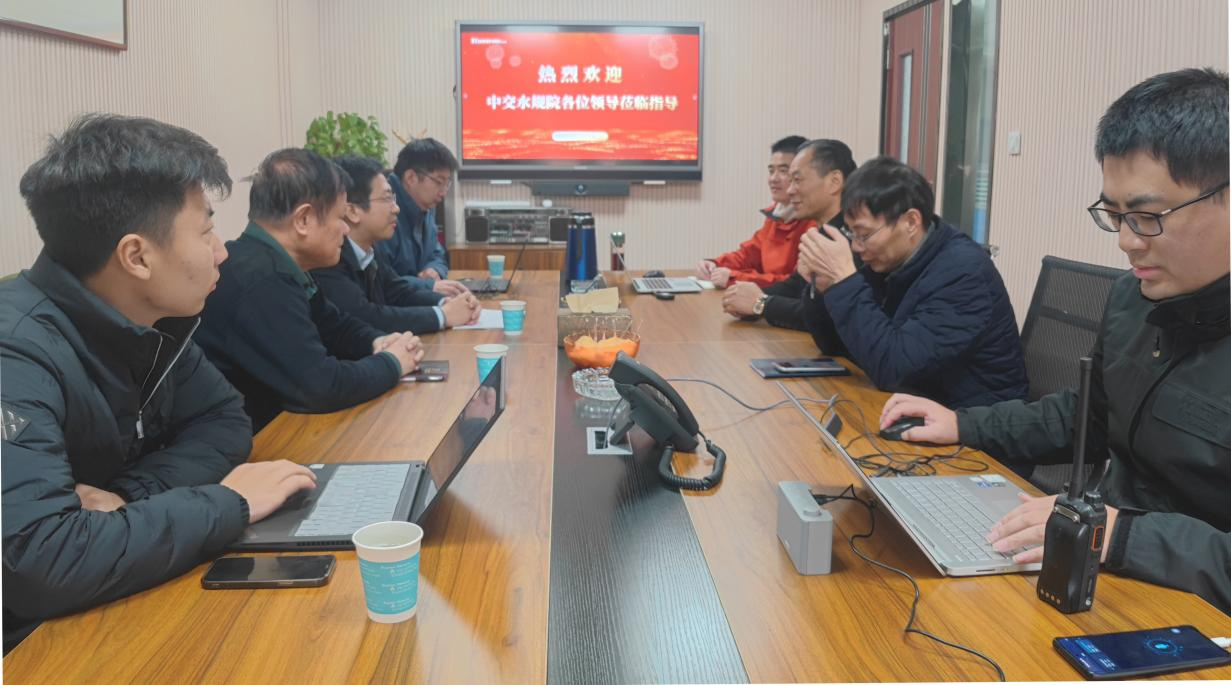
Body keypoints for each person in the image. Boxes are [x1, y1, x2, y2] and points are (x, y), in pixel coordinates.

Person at [880, 68, 1230, 614]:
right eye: (1114, 215)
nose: (1126, 242)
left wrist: (1120, 535)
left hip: (1186, 605)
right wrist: (964, 424)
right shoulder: (1135, 299)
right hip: (1105, 574)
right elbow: (1089, 416)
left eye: (1147, 217)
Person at [2, 114, 317, 650]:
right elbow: (39, 559)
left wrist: (130, 497)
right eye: (206, 230)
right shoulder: (16, 350)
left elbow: (224, 419)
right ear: (137, 256)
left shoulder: (151, 319)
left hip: (111, 595)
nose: (221, 251)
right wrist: (229, 503)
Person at [197, 148, 424, 431]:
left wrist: (378, 342)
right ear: (303, 220)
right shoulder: (260, 280)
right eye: (340, 218)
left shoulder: (277, 262)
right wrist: (393, 362)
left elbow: (335, 326)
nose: (345, 230)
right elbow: (322, 386)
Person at [796, 155, 1027, 408]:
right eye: (852, 233)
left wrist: (844, 281)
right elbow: (834, 345)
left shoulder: (962, 274)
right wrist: (826, 287)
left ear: (911, 222)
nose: (856, 246)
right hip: (915, 403)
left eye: (864, 234)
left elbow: (895, 370)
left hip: (971, 418)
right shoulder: (889, 257)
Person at [313, 155, 481, 333]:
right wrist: (442, 315)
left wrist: (445, 302)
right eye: (386, 199)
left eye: (393, 198)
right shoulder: (327, 257)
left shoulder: (369, 248)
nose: (396, 208)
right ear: (353, 211)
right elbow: (365, 315)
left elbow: (397, 292)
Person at [718, 138, 856, 330]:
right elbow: (794, 286)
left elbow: (827, 316)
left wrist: (761, 304)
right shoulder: (822, 232)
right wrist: (745, 297)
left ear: (834, 182)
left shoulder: (854, 238)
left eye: (797, 180)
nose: (790, 191)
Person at [382, 138, 468, 297]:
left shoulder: (425, 204)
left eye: (447, 184)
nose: (443, 192)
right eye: (439, 182)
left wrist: (434, 270)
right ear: (411, 178)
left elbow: (437, 253)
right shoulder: (382, 209)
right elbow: (383, 283)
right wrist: (427, 285)